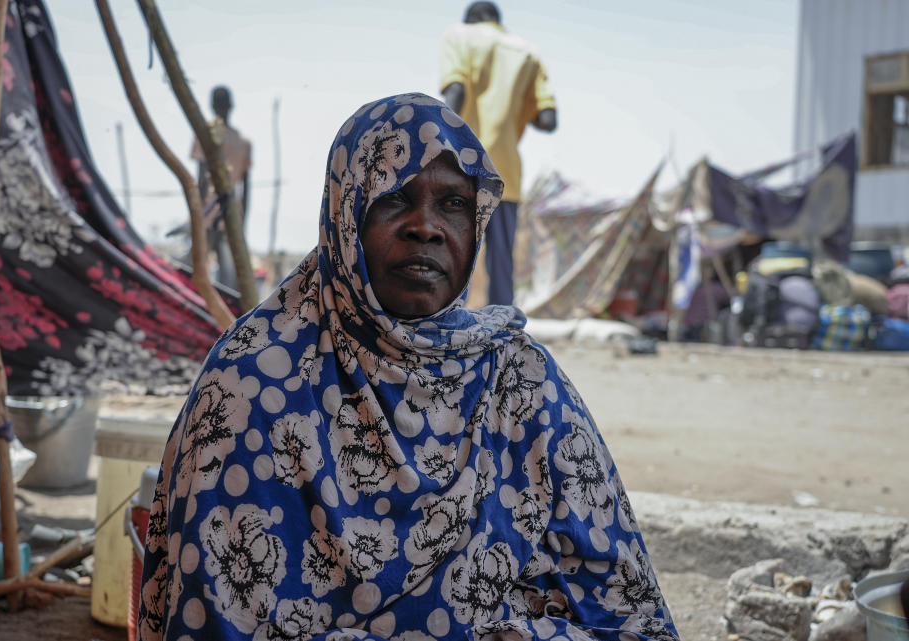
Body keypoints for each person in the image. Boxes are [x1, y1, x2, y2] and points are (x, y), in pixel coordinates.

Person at [138, 93, 677, 641]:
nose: (426, 227)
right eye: (394, 198)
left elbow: (632, 616)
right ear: (345, 214)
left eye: (454, 205)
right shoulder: (249, 386)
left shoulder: (520, 381)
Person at [440, 1, 557, 306]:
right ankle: (503, 334)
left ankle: (448, 328)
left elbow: (456, 92)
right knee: (502, 263)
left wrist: (435, 147)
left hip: (461, 169)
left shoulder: (460, 36)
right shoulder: (528, 52)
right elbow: (548, 120)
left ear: (471, 19)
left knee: (455, 255)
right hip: (505, 175)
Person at [190, 85, 252, 290]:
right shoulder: (242, 143)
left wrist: (196, 215)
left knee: (196, 267)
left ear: (213, 107)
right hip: (232, 214)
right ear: (230, 106)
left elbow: (200, 182)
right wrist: (243, 220)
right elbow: (246, 188)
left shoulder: (205, 138)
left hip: (208, 214)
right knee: (228, 278)